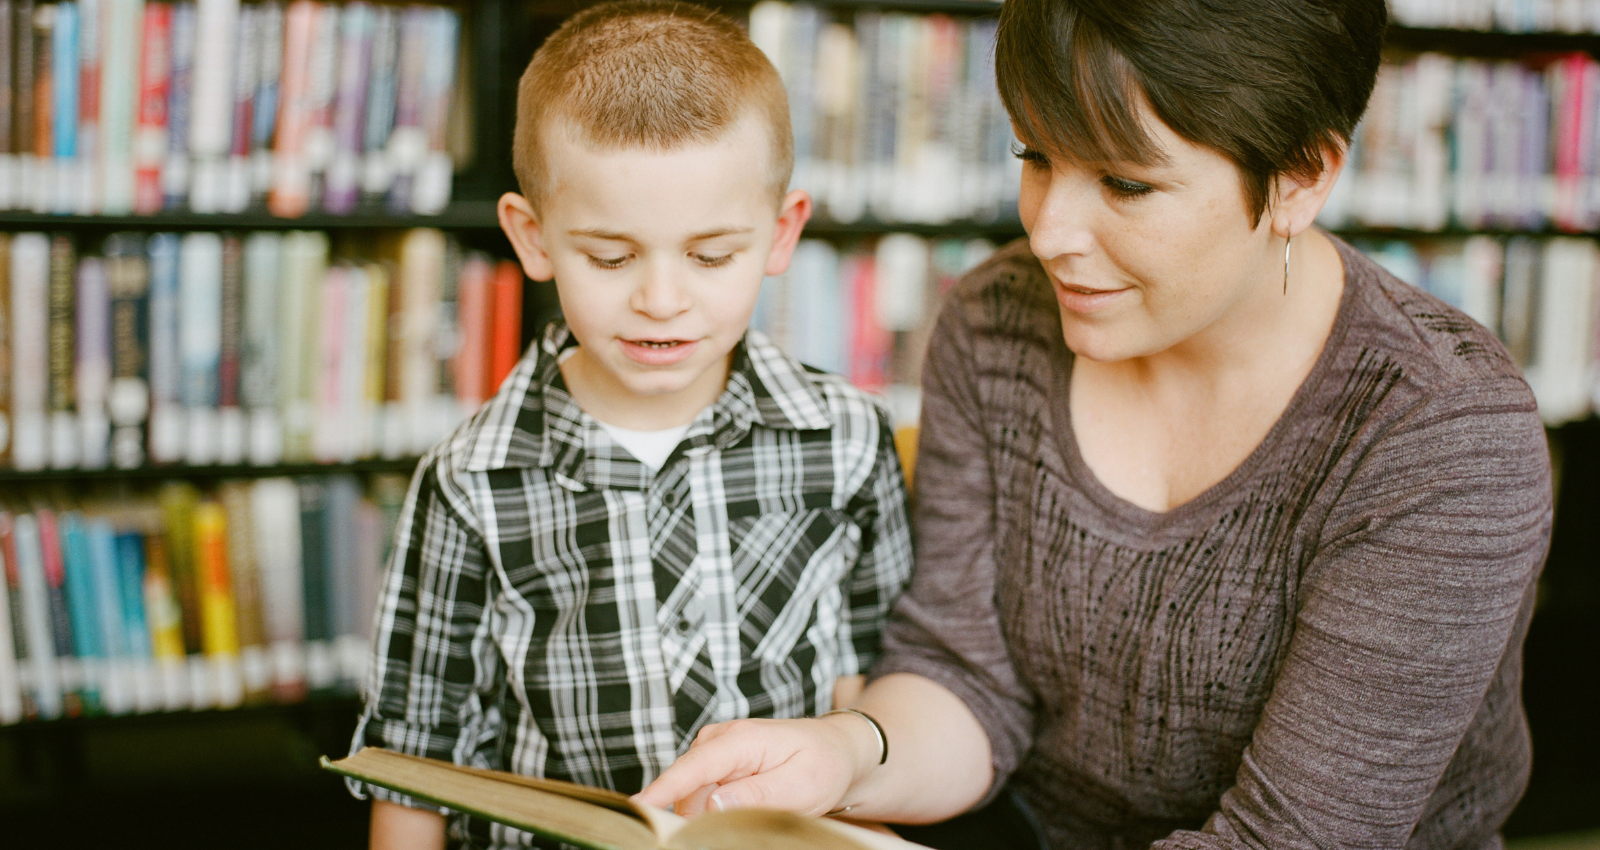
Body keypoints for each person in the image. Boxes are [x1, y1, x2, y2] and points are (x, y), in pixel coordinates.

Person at [637, 0, 1554, 848]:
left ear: (1299, 178)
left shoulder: (1439, 433)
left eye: (1124, 183)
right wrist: (845, 755)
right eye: (1035, 157)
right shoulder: (997, 321)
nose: (1047, 233)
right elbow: (967, 679)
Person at [349, 4, 914, 848]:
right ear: (532, 238)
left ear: (781, 232)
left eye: (711, 254)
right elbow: (413, 754)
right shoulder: (471, 480)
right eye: (610, 257)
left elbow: (877, 676)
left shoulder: (846, 439)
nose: (661, 299)